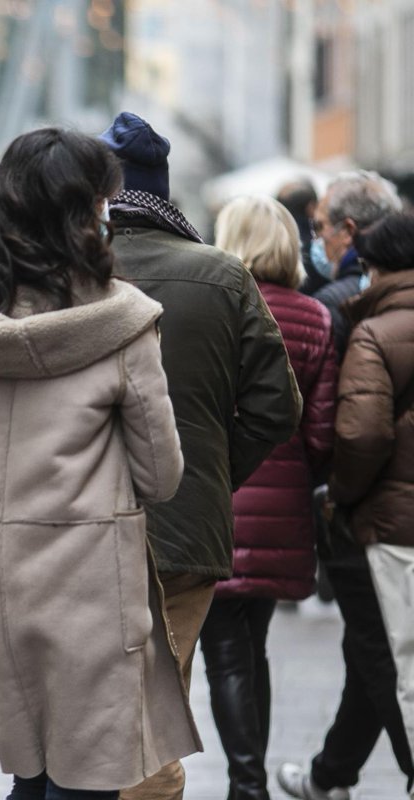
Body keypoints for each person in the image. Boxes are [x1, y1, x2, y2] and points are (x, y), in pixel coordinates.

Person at [0, 127, 196, 799]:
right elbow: (162, 476)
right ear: (89, 213)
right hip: (89, 583)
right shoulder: (125, 323)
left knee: (31, 776)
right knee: (84, 781)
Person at [100, 111, 302, 800]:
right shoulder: (220, 275)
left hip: (71, 525)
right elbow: (279, 405)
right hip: (185, 527)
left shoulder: (65, 274)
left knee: (84, 709)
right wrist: (211, 470)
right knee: (157, 701)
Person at [199, 196, 339, 800]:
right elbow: (323, 431)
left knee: (226, 653)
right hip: (283, 510)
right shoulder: (314, 316)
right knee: (251, 649)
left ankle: (247, 784)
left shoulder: (216, 308)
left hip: (217, 501)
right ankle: (247, 780)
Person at [278, 213, 414, 800]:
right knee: (373, 649)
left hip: (386, 524)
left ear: (376, 268)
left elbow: (358, 436)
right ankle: (330, 774)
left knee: (387, 653)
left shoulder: (374, 331)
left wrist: (341, 496)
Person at [309, 171, 402, 359]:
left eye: (319, 227)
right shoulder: (402, 285)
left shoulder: (332, 303)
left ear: (348, 231)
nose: (316, 239)